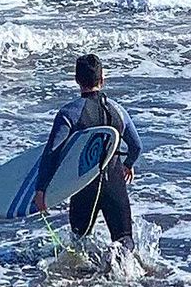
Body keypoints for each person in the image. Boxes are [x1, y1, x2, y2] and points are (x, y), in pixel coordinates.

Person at [33, 53, 142, 248]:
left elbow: (52, 153)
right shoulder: (118, 110)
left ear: (77, 80)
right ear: (102, 80)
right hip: (114, 185)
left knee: (79, 243)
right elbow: (136, 147)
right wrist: (128, 164)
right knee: (124, 241)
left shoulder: (69, 113)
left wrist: (41, 190)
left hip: (84, 186)